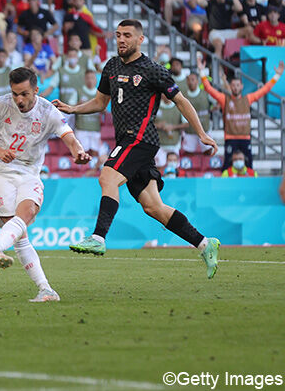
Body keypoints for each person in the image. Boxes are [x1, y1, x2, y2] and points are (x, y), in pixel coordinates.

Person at [53, 20, 221, 279]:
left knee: (107, 176)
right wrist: (73, 108)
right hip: (127, 141)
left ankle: (98, 237)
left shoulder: (153, 70)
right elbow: (100, 102)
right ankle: (204, 243)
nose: (121, 39)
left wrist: (201, 133)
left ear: (140, 39)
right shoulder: (111, 66)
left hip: (140, 139)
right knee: (153, 207)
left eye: (127, 35)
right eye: (118, 35)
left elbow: (181, 101)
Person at [0, 67, 90, 301]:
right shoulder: (0, 105)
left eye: (24, 93)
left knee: (27, 212)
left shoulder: (48, 111)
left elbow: (69, 136)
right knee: (18, 234)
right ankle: (46, 288)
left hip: (29, 172)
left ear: (36, 90)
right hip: (0, 171)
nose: (19, 99)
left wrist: (79, 152)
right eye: (15, 94)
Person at [200, 59, 284, 170]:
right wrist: (201, 72)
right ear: (230, 87)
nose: (235, 87)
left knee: (249, 166)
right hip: (230, 138)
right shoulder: (224, 99)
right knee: (227, 166)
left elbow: (265, 89)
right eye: (233, 85)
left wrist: (277, 76)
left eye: (238, 85)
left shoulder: (248, 99)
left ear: (242, 86)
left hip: (245, 138)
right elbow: (208, 88)